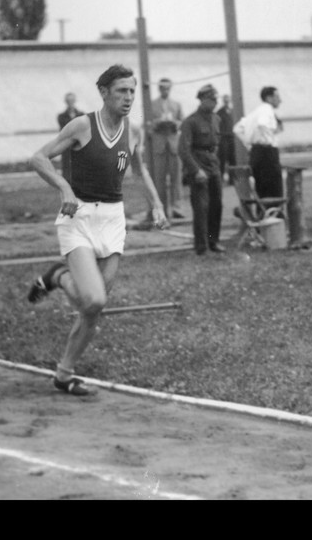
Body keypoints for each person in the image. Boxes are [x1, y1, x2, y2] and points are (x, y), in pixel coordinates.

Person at [26, 65, 167, 396]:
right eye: (121, 91)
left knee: (94, 307)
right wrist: (64, 188)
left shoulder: (133, 131)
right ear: (104, 92)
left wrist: (157, 205)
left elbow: (140, 169)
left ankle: (64, 373)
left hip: (113, 220)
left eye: (132, 91)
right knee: (93, 298)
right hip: (80, 216)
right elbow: (38, 158)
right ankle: (59, 277)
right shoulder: (82, 126)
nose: (128, 97)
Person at [178, 84, 225, 255]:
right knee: (201, 207)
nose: (215, 103)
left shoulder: (216, 119)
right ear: (203, 100)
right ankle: (201, 246)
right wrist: (196, 170)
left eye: (216, 99)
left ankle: (214, 241)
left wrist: (215, 163)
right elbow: (183, 149)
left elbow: (216, 144)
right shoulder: (190, 122)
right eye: (212, 100)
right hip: (198, 168)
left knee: (217, 205)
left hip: (213, 166)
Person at [145, 78, 184, 223]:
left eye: (167, 88)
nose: (165, 90)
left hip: (173, 145)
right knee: (159, 179)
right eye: (162, 88)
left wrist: (175, 123)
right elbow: (148, 124)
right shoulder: (152, 105)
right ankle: (161, 208)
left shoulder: (176, 104)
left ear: (171, 88)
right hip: (159, 145)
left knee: (176, 178)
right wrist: (157, 123)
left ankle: (177, 208)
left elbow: (182, 122)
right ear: (159, 88)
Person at [246, 87, 285, 200]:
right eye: (277, 97)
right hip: (267, 153)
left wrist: (249, 144)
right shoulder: (267, 109)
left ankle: (263, 215)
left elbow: (238, 128)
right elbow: (262, 124)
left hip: (256, 152)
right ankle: (274, 216)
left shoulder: (256, 111)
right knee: (274, 190)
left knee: (262, 190)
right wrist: (270, 142)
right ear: (269, 98)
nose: (280, 100)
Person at [57, 92, 84, 181]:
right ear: (65, 102)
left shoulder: (82, 115)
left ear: (75, 101)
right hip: (66, 146)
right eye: (68, 101)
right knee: (67, 167)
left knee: (81, 166)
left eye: (72, 100)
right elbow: (64, 130)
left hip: (79, 145)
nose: (70, 103)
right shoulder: (61, 116)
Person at [216, 94, 236, 184]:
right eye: (225, 100)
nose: (227, 101)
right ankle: (220, 179)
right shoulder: (219, 112)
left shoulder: (233, 111)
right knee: (222, 158)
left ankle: (232, 179)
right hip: (223, 138)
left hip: (232, 137)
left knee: (233, 158)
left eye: (228, 99)